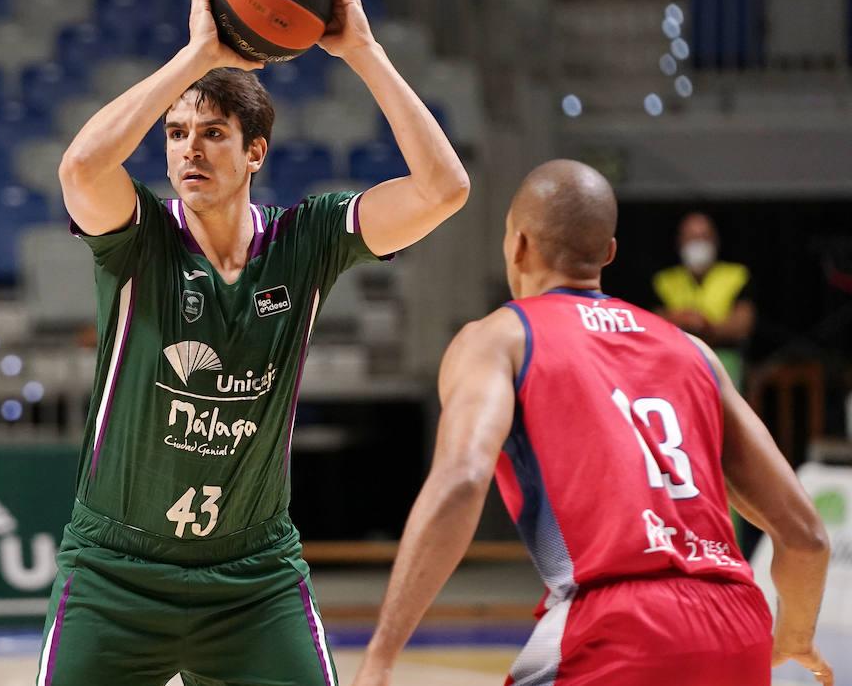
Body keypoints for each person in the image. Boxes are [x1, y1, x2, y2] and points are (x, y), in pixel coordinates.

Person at [36, 0, 470, 686]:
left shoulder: (307, 239)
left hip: (251, 577)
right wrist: (194, 55)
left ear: (255, 151)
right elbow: (79, 169)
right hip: (116, 572)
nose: (187, 151)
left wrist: (363, 51)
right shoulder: (139, 237)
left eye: (211, 134)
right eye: (176, 134)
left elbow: (444, 190)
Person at [352, 160, 832, 686]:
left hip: (617, 626)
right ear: (607, 254)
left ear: (517, 246)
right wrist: (794, 637)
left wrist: (382, 653)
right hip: (735, 623)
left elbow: (463, 480)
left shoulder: (499, 338)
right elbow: (806, 537)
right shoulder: (694, 352)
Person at [653, 211, 754, 386]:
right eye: (691, 237)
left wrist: (705, 327)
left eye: (703, 237)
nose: (697, 244)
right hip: (677, 363)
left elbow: (743, 323)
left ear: (715, 241)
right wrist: (683, 319)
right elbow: (652, 322)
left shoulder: (736, 275)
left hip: (725, 363)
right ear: (679, 242)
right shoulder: (664, 280)